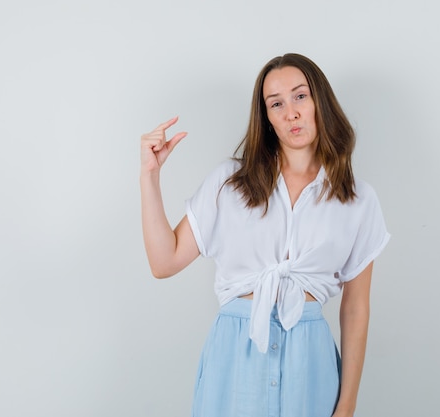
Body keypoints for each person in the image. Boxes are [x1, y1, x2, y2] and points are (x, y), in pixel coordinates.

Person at [140, 53, 390, 417]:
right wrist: (149, 176)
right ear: (268, 119)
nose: (291, 112)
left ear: (321, 101)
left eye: (300, 96)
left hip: (311, 363)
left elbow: (355, 308)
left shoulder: (358, 199)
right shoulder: (230, 184)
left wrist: (347, 404)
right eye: (276, 103)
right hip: (235, 358)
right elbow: (164, 262)